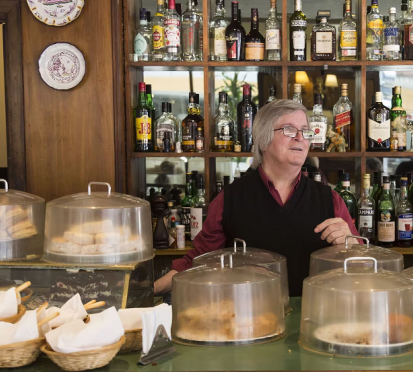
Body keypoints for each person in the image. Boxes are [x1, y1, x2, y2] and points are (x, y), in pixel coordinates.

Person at [154, 99, 359, 296]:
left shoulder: (330, 199)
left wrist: (351, 245)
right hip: (248, 318)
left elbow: (361, 264)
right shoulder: (230, 199)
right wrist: (148, 291)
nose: (300, 137)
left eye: (305, 131)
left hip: (315, 318)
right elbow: (196, 262)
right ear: (263, 140)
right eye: (288, 129)